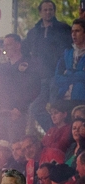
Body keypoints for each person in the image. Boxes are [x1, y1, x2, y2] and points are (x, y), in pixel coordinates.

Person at [26, 0, 73, 131]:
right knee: (35, 108)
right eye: (45, 10)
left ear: (54, 11)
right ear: (40, 12)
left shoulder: (63, 29)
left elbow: (71, 49)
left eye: (50, 9)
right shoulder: (33, 32)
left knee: (56, 108)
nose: (48, 12)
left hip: (57, 76)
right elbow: (26, 51)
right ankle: (53, 131)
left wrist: (64, 70)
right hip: (40, 79)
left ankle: (61, 133)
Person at [53, 19, 85, 104]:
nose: (74, 34)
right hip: (63, 98)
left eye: (77, 31)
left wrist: (68, 73)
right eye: (72, 31)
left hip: (81, 100)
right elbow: (57, 78)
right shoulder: (67, 53)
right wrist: (79, 74)